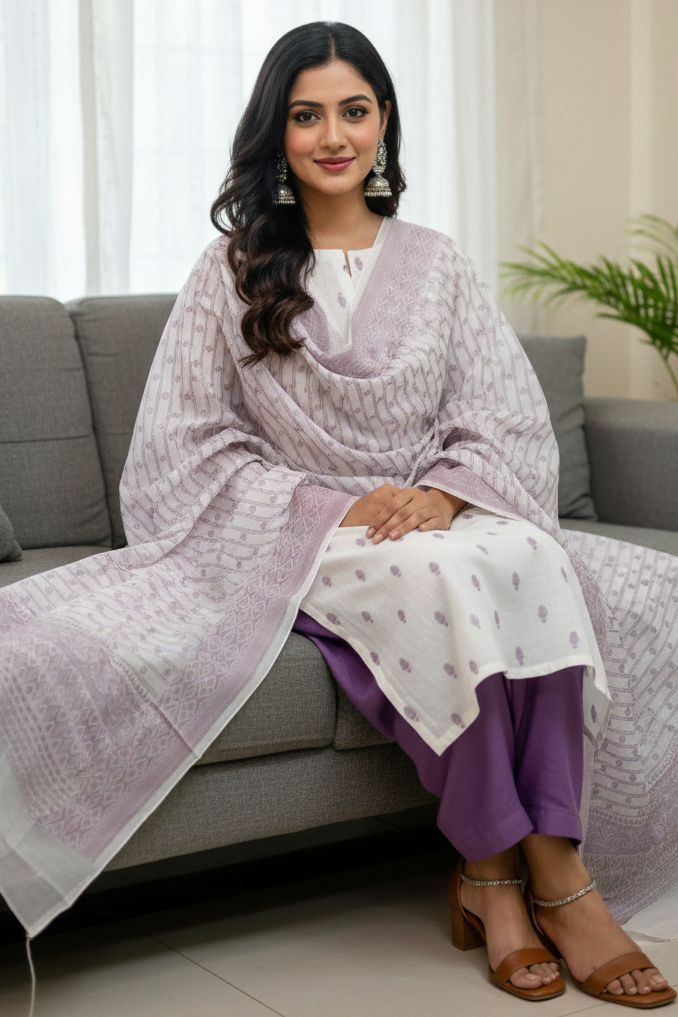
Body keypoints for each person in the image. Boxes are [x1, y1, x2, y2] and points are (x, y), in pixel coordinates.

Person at [0, 20, 675, 1008]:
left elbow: (501, 415)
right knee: (446, 577)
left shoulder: (437, 264)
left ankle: (522, 866)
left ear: (384, 119)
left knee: (532, 561)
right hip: (311, 528)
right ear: (277, 132)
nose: (332, 135)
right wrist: (343, 503)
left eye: (353, 110)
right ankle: (530, 878)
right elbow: (184, 453)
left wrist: (442, 494)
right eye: (306, 114)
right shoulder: (231, 269)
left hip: (439, 509)